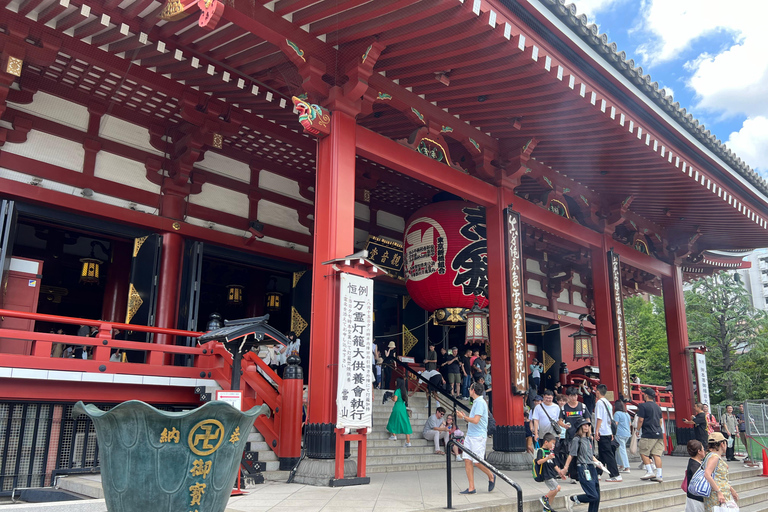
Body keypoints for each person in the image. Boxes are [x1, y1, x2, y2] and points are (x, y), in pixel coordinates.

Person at [456, 382, 495, 494]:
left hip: (478, 436)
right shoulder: (477, 402)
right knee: (467, 460)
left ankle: (491, 475)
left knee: (477, 462)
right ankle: (471, 487)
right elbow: (474, 419)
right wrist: (465, 417)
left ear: (473, 390)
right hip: (471, 435)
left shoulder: (480, 402)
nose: (469, 390)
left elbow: (476, 420)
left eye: (470, 388)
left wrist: (463, 417)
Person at [561, 417, 604, 512]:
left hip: (591, 467)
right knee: (593, 495)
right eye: (584, 425)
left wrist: (599, 463)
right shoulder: (577, 439)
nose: (586, 427)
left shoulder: (589, 439)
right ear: (580, 427)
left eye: (587, 425)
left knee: (597, 496)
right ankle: (573, 498)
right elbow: (571, 455)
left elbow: (591, 455)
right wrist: (565, 467)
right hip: (583, 468)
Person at [559, 386, 589, 483]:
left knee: (583, 454)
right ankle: (573, 476)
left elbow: (588, 420)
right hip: (571, 435)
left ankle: (582, 474)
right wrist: (564, 425)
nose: (573, 398)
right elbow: (560, 421)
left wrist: (589, 433)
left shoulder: (582, 406)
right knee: (572, 455)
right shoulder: (564, 408)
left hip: (582, 435)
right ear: (568, 396)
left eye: (575, 395)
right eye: (571, 396)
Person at [702, 432, 738, 512]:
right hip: (717, 496)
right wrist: (718, 492)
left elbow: (720, 477)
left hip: (720, 493)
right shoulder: (714, 457)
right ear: (722, 444)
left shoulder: (711, 456)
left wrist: (731, 490)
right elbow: (707, 474)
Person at [594, 384, 622, 482]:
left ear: (598, 392)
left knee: (607, 454)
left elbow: (599, 418)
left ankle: (615, 474)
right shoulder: (608, 403)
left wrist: (596, 430)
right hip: (608, 431)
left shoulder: (599, 403)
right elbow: (610, 420)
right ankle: (597, 473)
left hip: (602, 431)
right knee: (602, 454)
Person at [637, 387, 664, 482]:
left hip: (648, 433)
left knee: (643, 452)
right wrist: (658, 429)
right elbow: (661, 421)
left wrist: (637, 430)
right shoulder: (658, 407)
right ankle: (659, 474)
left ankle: (650, 471)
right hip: (658, 433)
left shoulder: (643, 406)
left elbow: (641, 420)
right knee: (657, 455)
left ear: (646, 395)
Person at [534, 432, 563, 512]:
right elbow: (538, 462)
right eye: (552, 443)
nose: (553, 445)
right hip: (546, 474)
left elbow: (554, 464)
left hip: (551, 473)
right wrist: (547, 458)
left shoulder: (550, 452)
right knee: (557, 488)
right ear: (546, 442)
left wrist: (560, 472)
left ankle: (547, 507)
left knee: (555, 490)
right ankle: (544, 498)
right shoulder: (541, 451)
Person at [386, 377, 412, 446]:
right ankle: (408, 442)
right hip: (403, 407)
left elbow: (395, 399)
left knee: (392, 421)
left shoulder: (397, 390)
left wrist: (391, 397)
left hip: (397, 407)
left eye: (396, 381)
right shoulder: (404, 390)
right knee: (405, 423)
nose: (395, 382)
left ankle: (394, 435)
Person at [684, 440, 705, 512]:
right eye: (703, 449)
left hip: (692, 497)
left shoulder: (693, 462)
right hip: (696, 499)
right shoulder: (695, 466)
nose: (704, 451)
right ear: (699, 451)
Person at [613, 400, 631, 473]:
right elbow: (630, 424)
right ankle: (621, 465)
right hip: (627, 433)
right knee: (620, 449)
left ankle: (626, 467)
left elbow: (615, 424)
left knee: (621, 450)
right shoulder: (627, 414)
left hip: (620, 433)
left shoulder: (617, 413)